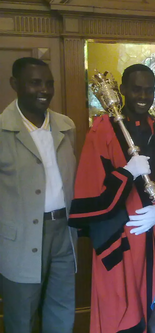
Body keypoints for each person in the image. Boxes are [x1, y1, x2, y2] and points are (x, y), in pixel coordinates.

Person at [68, 64, 155, 333]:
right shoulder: (103, 130)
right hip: (121, 237)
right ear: (123, 90)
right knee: (123, 316)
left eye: (149, 90)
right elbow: (90, 190)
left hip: (154, 235)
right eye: (137, 89)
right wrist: (126, 173)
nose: (143, 95)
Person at [0, 57, 77, 333]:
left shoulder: (66, 126)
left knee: (62, 312)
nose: (44, 90)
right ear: (15, 84)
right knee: (21, 318)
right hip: (19, 240)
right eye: (35, 83)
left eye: (48, 83)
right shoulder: (2, 130)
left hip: (63, 234)